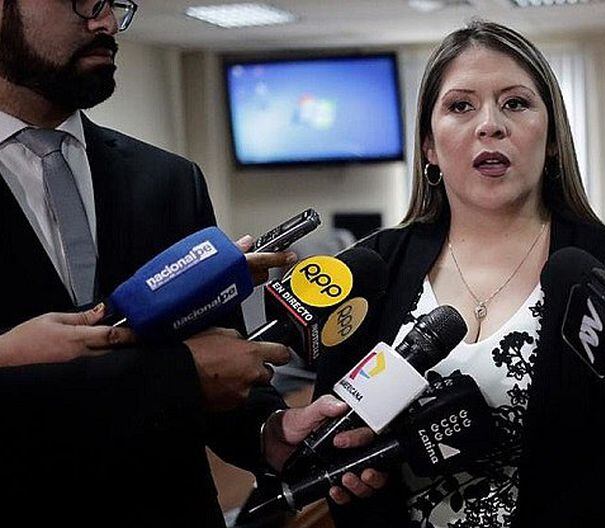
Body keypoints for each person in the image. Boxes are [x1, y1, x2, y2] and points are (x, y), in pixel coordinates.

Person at [0, 1, 372, 525]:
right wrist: (176, 376)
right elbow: (187, 372)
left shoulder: (168, 180)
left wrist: (269, 430)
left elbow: (218, 367)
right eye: (83, 0)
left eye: (114, 4)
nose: (107, 22)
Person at [314, 20, 605, 528]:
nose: (490, 125)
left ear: (552, 138)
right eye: (461, 106)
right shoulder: (374, 268)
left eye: (516, 103)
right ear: (429, 146)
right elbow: (332, 434)